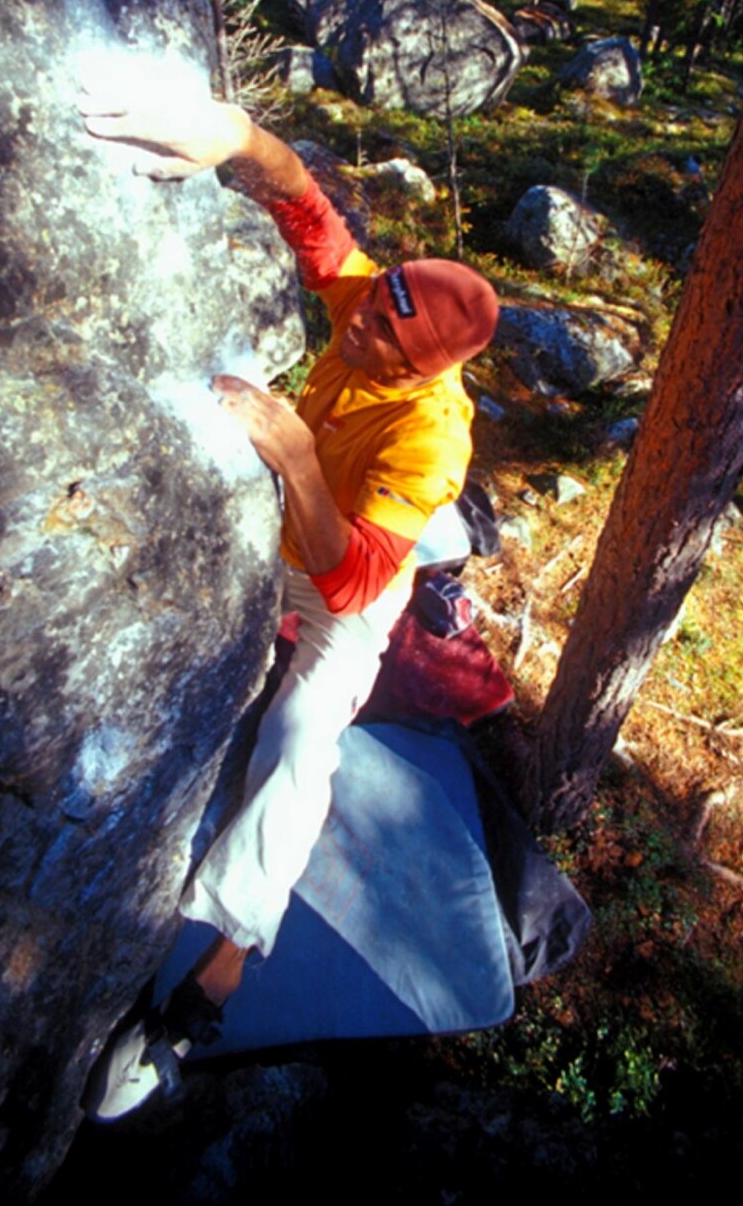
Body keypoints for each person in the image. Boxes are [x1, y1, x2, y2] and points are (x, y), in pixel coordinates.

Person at [80, 92, 498, 1119]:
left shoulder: (433, 440)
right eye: (363, 310)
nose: (352, 326)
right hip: (275, 523)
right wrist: (229, 135)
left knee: (307, 735)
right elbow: (309, 209)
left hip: (346, 571)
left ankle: (215, 976)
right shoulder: (374, 303)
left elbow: (354, 579)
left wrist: (301, 457)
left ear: (422, 371)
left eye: (378, 341)